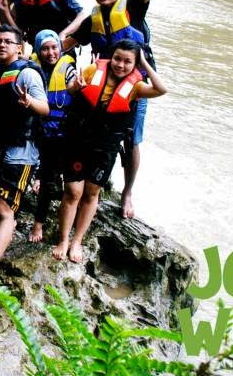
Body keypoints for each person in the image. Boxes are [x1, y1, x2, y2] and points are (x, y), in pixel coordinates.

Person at [61, 0, 196, 219]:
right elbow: (67, 45)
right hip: (102, 88)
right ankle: (91, 182)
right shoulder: (92, 20)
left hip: (135, 87)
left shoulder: (132, 6)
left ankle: (127, 192)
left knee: (131, 139)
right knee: (94, 135)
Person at [52, 40, 166, 263]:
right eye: (117, 59)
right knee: (73, 191)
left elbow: (162, 89)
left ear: (134, 64)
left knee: (91, 193)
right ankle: (64, 240)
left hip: (105, 147)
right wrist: (76, 87)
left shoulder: (136, 87)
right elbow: (70, 90)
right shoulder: (92, 70)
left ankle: (77, 241)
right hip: (79, 139)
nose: (120, 65)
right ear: (110, 57)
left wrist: (144, 62)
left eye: (127, 61)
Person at [0, 25, 49, 279]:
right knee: (0, 205)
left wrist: (29, 102)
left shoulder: (27, 74)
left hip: (21, 151)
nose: (2, 45)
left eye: (8, 41)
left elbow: (45, 107)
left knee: (5, 208)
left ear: (19, 47)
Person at [29, 30, 76, 243]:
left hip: (64, 132)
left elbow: (73, 84)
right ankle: (38, 223)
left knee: (60, 180)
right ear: (38, 51)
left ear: (60, 48)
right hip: (41, 131)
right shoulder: (32, 69)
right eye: (45, 49)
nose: (50, 53)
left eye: (54, 47)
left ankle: (56, 223)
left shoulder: (68, 69)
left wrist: (76, 87)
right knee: (47, 179)